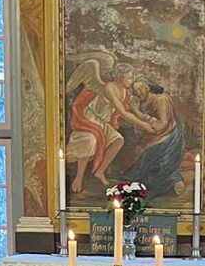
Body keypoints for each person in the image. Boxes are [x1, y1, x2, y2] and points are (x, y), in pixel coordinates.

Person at [65, 62, 154, 192]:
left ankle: (100, 171)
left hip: (102, 122)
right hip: (89, 119)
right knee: (89, 141)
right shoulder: (109, 87)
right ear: (120, 76)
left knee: (118, 140)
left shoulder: (125, 92)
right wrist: (143, 124)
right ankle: (79, 178)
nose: (131, 80)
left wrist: (142, 115)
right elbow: (123, 112)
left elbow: (129, 109)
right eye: (129, 77)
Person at [121, 80, 186, 198]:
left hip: (168, 136)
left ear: (148, 88)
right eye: (135, 90)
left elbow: (161, 125)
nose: (137, 93)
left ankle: (173, 181)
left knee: (150, 158)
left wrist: (138, 113)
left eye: (140, 89)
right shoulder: (140, 101)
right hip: (153, 135)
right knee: (139, 157)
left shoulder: (161, 100)